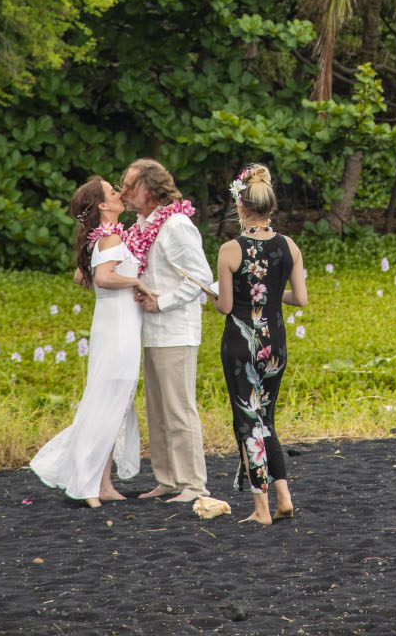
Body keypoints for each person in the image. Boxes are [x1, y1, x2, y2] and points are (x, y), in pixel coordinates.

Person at [30, 177, 154, 507]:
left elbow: (80, 275)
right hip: (118, 328)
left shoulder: (101, 237)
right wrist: (135, 282)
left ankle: (104, 483)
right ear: (102, 205)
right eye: (114, 192)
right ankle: (85, 484)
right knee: (107, 402)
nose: (119, 195)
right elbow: (101, 277)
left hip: (113, 322)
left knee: (114, 401)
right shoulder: (110, 235)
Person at [212, 164, 307, 526]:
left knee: (247, 422)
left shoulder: (229, 250)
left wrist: (225, 297)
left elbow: (223, 305)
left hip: (241, 343)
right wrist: (268, 295)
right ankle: (283, 498)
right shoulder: (290, 246)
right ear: (270, 206)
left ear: (241, 206)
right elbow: (300, 298)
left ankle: (262, 508)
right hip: (276, 344)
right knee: (265, 418)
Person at [120, 158, 213, 503]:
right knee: (156, 410)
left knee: (178, 410)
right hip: (150, 333)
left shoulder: (175, 225)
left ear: (148, 188)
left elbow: (201, 277)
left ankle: (192, 485)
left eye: (130, 185)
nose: (124, 192)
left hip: (176, 331)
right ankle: (167, 479)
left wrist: (163, 302)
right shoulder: (144, 225)